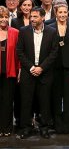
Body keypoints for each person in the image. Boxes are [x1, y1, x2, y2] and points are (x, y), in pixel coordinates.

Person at [16, 7, 59, 139]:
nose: (32, 19)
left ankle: (44, 127)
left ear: (42, 18)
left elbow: (54, 53)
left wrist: (41, 68)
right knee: (26, 101)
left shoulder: (52, 32)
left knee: (44, 102)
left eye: (35, 17)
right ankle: (26, 128)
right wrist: (31, 68)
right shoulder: (24, 31)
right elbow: (20, 52)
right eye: (31, 17)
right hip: (28, 73)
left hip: (45, 73)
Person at [48, 3, 69, 134]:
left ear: (68, 13)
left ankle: (68, 125)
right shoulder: (50, 27)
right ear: (55, 13)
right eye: (60, 12)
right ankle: (57, 124)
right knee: (56, 96)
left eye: (64, 12)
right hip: (54, 67)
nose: (62, 15)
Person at [0, 6, 20, 137]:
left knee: (7, 101)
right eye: (1, 17)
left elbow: (19, 54)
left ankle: (6, 127)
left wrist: (20, 71)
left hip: (10, 72)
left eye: (6, 17)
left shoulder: (15, 32)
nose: (4, 19)